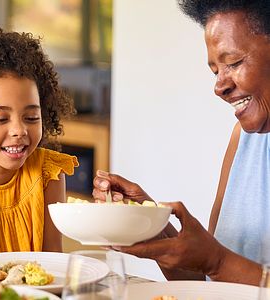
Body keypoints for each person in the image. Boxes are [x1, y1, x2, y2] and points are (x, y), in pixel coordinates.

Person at [93, 0, 270, 286]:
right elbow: (209, 283)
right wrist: (153, 228)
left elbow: (217, 264)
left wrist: (217, 260)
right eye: (215, 71)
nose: (219, 86)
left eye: (234, 63)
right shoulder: (243, 139)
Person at [0, 25, 79, 255]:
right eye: (0, 119)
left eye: (31, 117)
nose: (19, 130)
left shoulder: (48, 174)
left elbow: (52, 261)